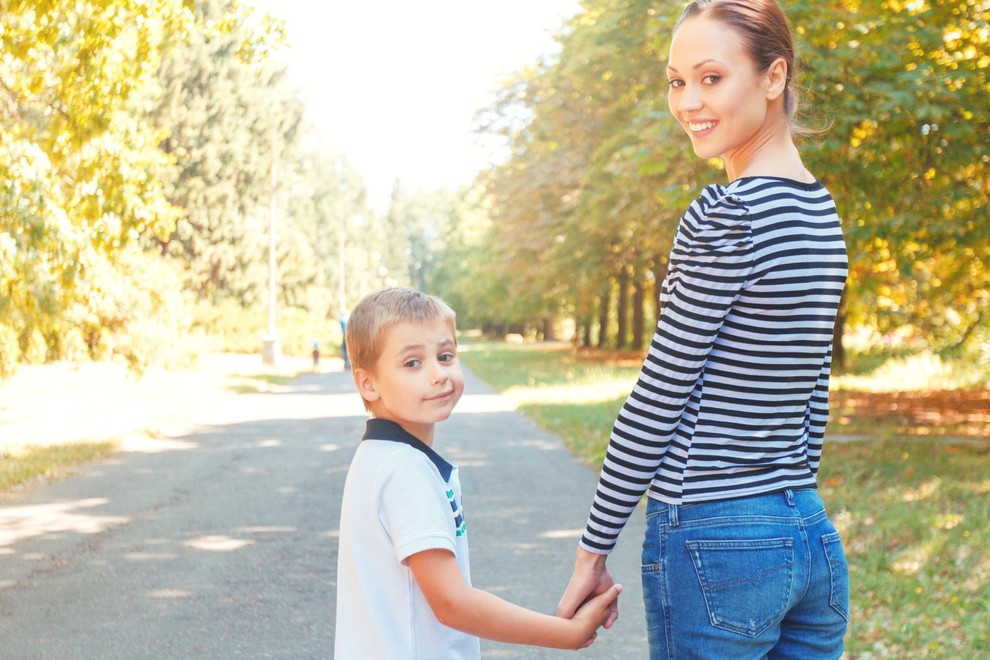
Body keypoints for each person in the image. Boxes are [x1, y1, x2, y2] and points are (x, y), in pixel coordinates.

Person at [557, 1, 850, 658]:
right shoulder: (819, 211)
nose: (689, 101)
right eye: (676, 80)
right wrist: (787, 508)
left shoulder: (728, 215)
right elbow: (812, 390)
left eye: (711, 78)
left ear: (774, 78)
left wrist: (592, 548)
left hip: (718, 537)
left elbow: (660, 393)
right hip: (807, 533)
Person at [334, 287, 622, 660]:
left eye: (445, 355)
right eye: (412, 363)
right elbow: (452, 603)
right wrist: (566, 634)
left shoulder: (377, 456)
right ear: (367, 383)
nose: (438, 374)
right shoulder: (405, 470)